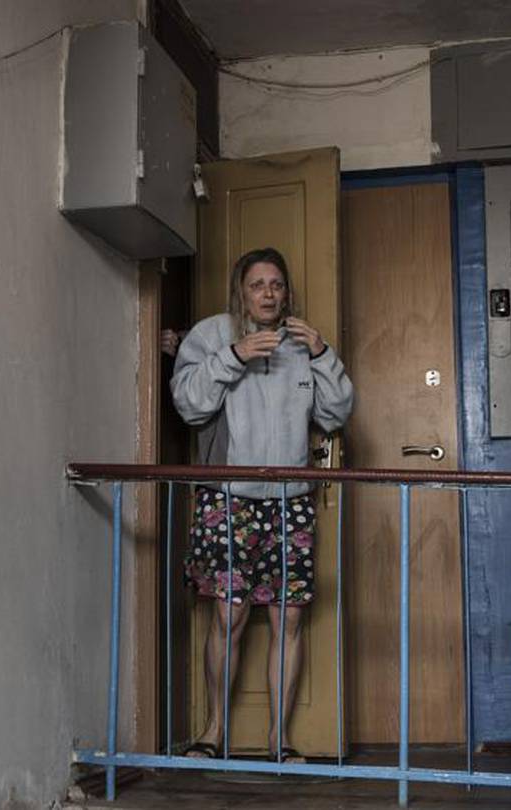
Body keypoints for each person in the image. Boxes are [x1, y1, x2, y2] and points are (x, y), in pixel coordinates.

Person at [170, 246, 354, 763]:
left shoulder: (303, 343)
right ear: (241, 289)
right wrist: (236, 355)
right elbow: (188, 404)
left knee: (288, 619)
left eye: (276, 284)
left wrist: (322, 355)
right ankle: (212, 734)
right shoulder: (211, 334)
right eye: (257, 284)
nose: (268, 293)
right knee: (228, 615)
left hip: (290, 502)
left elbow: (336, 414)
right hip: (228, 497)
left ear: (285, 291)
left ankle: (279, 740)